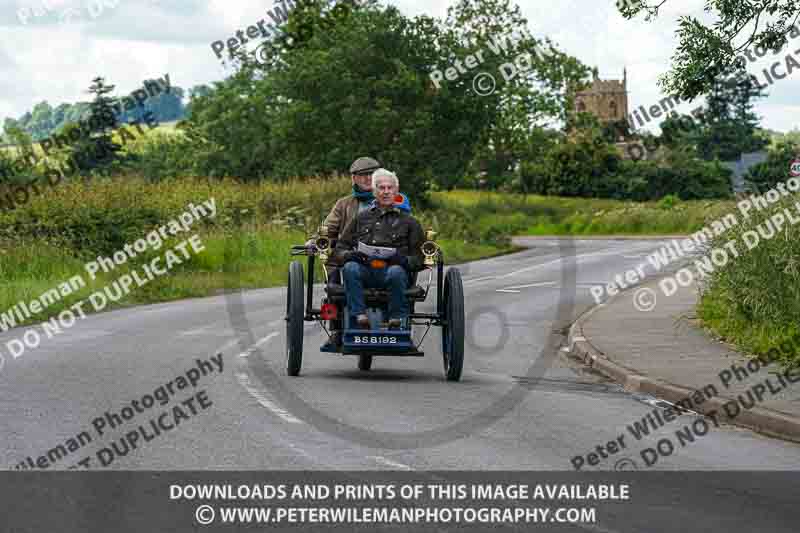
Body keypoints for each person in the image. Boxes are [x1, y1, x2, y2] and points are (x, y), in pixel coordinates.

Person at [334, 169, 425, 329]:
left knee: (396, 272)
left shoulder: (410, 222)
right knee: (350, 268)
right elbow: (340, 248)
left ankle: (395, 318)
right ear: (374, 191)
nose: (386, 192)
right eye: (381, 188)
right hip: (366, 270)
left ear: (396, 191)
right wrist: (350, 255)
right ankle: (359, 316)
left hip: (394, 272)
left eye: (390, 188)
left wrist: (404, 260)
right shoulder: (361, 218)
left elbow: (420, 258)